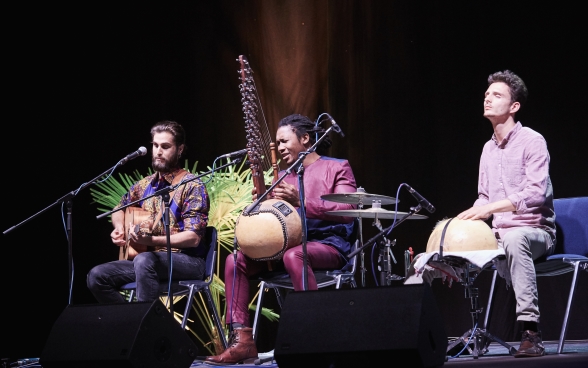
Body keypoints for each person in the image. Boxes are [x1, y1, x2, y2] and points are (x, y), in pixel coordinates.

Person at [205, 113, 357, 365]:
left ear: (306, 138)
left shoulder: (336, 167)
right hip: (288, 249)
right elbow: (277, 224)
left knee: (294, 255)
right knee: (235, 261)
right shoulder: (283, 176)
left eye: (285, 141)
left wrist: (301, 202)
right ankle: (243, 341)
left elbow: (348, 212)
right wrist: (263, 204)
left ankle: (313, 338)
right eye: (277, 143)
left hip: (329, 246)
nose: (280, 148)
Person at [457, 70, 556, 358]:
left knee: (513, 238)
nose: (487, 98)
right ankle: (451, 333)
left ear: (514, 106)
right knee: (448, 240)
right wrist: (465, 220)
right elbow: (485, 198)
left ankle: (530, 332)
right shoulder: (487, 149)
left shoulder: (532, 141)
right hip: (499, 233)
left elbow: (536, 194)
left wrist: (488, 208)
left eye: (497, 95)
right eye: (487, 94)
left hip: (535, 233)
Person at [87, 120, 210, 303]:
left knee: (144, 260)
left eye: (165, 146)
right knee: (97, 276)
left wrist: (151, 240)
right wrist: (119, 227)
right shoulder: (145, 185)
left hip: (188, 261)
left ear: (180, 149)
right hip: (148, 261)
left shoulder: (192, 185)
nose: (158, 151)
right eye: (155, 145)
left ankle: (146, 327)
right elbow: (118, 208)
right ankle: (132, 322)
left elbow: (193, 238)